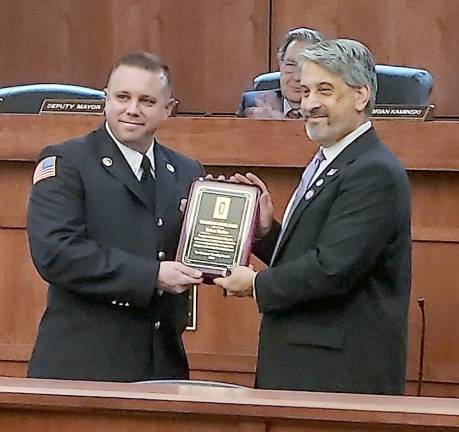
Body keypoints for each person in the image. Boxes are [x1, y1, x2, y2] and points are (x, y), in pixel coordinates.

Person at [216, 39, 411, 394]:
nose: (309, 104)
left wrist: (256, 285)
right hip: (306, 369)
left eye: (324, 90)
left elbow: (333, 269)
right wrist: (265, 233)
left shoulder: (372, 171)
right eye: (304, 91)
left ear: (361, 96)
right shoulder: (331, 160)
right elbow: (317, 251)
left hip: (338, 377)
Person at [27, 52, 205, 382]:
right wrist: (151, 275)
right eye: (122, 97)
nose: (132, 109)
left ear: (168, 109)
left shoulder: (186, 171)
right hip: (83, 367)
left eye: (147, 100)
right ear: (105, 100)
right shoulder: (67, 162)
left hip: (161, 366)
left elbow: (198, 250)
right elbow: (56, 254)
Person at [236, 27, 325, 119]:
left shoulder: (328, 109)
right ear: (280, 64)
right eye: (290, 65)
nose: (297, 77)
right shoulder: (253, 103)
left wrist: (278, 124)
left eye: (306, 68)